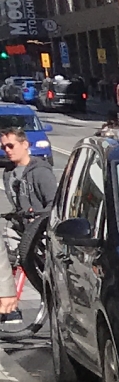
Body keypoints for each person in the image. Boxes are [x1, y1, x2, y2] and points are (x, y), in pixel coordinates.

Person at [0, 125, 58, 337]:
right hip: (20, 227)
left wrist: (38, 215)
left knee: (35, 267)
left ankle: (49, 303)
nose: (7, 150)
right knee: (10, 262)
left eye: (11, 145)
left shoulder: (41, 172)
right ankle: (10, 305)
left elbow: (54, 203)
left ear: (25, 145)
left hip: (40, 231)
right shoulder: (9, 173)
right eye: (4, 147)